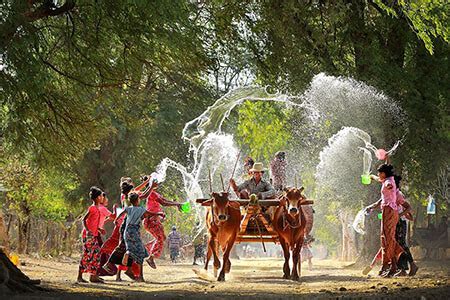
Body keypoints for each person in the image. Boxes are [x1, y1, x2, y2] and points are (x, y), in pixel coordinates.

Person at [118, 192, 164, 282]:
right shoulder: (141, 209)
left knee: (132, 249)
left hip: (127, 231)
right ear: (138, 200)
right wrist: (159, 213)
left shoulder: (129, 208)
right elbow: (150, 213)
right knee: (141, 252)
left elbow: (122, 213)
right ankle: (140, 277)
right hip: (134, 231)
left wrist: (116, 219)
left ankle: (128, 255)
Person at [367, 164, 404, 277]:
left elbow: (389, 185)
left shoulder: (388, 182)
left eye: (379, 173)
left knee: (388, 239)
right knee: (386, 238)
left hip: (389, 210)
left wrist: (388, 186)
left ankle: (396, 258)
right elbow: (380, 180)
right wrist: (372, 177)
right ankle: (392, 265)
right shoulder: (386, 179)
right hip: (388, 210)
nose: (378, 175)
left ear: (384, 173)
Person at [142, 176, 182, 269]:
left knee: (162, 238)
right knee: (160, 238)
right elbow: (163, 203)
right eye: (156, 182)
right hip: (151, 220)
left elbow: (164, 200)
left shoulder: (154, 193)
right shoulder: (151, 193)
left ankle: (146, 248)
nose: (158, 183)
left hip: (153, 220)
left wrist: (176, 204)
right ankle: (151, 257)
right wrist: (176, 204)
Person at [77, 186, 103, 283]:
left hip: (94, 235)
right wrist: (87, 230)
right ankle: (79, 276)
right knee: (87, 254)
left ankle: (93, 276)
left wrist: (99, 229)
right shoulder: (92, 208)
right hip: (88, 236)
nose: (102, 198)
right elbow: (84, 219)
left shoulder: (97, 208)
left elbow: (94, 222)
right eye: (100, 196)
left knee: (96, 253)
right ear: (97, 198)